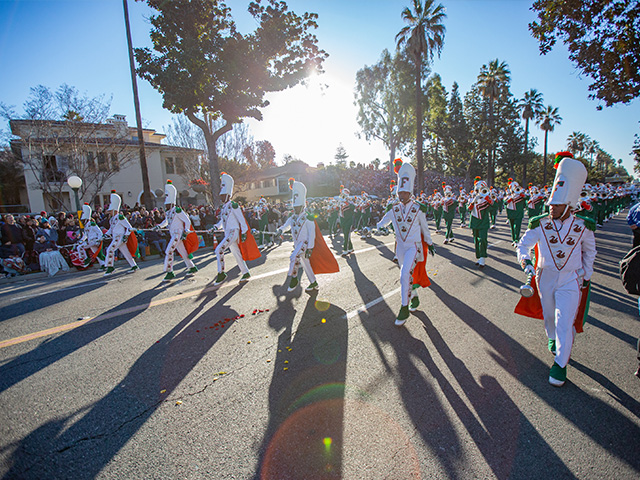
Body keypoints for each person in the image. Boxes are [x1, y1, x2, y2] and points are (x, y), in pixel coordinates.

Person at [516, 152, 596, 387]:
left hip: (571, 279)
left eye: (557, 204)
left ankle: (560, 365)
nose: (551, 208)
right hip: (544, 277)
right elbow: (524, 245)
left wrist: (585, 274)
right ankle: (553, 340)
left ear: (569, 205)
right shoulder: (539, 223)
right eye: (550, 204)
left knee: (564, 321)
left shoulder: (584, 227)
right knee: (550, 317)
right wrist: (526, 262)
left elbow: (590, 252)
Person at [376, 161, 434, 326]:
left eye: (404, 192)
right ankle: (414, 296)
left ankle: (403, 308)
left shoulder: (418, 209)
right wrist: (377, 227)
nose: (401, 195)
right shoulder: (393, 208)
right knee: (406, 275)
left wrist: (429, 243)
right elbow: (383, 222)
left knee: (403, 275)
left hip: (413, 247)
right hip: (400, 248)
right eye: (399, 192)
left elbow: (425, 228)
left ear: (410, 192)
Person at [277, 179, 339, 292]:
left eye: (297, 207)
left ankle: (294, 278)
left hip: (305, 243)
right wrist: (280, 230)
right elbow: (286, 226)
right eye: (294, 207)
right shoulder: (292, 217)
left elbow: (312, 235)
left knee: (294, 257)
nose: (295, 209)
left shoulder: (309, 218)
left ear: (302, 206)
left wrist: (310, 247)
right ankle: (313, 282)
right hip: (297, 244)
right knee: (306, 264)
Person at [212, 172, 260, 286]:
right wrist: (215, 227)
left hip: (234, 232)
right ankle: (245, 272)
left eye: (223, 195)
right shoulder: (224, 208)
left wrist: (244, 232)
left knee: (219, 250)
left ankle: (221, 273)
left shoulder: (234, 205)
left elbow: (242, 220)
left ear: (228, 195)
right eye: (221, 196)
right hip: (228, 233)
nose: (221, 197)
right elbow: (222, 222)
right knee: (236, 254)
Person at [157, 180, 198, 281]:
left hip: (178, 234)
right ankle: (192, 267)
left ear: (171, 203)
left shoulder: (177, 210)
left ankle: (169, 271)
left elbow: (187, 220)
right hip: (173, 234)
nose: (165, 205)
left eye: (167, 203)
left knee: (169, 251)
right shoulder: (168, 212)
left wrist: (186, 230)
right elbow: (166, 222)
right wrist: (159, 226)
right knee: (183, 252)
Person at [103, 190, 139, 276]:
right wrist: (105, 235)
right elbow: (111, 229)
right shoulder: (112, 219)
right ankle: (134, 266)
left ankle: (110, 267)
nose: (110, 212)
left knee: (110, 250)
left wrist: (125, 236)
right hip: (115, 237)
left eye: (111, 210)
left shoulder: (120, 217)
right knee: (125, 252)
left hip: (120, 237)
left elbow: (129, 227)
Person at [467, 177, 493, 268]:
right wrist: (474, 201)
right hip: (474, 222)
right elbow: (468, 209)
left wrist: (486, 197)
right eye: (478, 189)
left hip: (484, 222)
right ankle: (478, 256)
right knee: (476, 240)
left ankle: (483, 257)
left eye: (482, 189)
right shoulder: (472, 198)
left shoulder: (487, 199)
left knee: (483, 239)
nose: (479, 191)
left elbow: (493, 206)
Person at [75, 203, 105, 269]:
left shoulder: (92, 224)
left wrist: (99, 239)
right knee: (97, 254)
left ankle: (86, 259)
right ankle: (103, 264)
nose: (82, 222)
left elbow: (99, 232)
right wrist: (81, 240)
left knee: (80, 247)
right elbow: (85, 235)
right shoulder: (86, 226)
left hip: (94, 240)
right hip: (90, 241)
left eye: (83, 220)